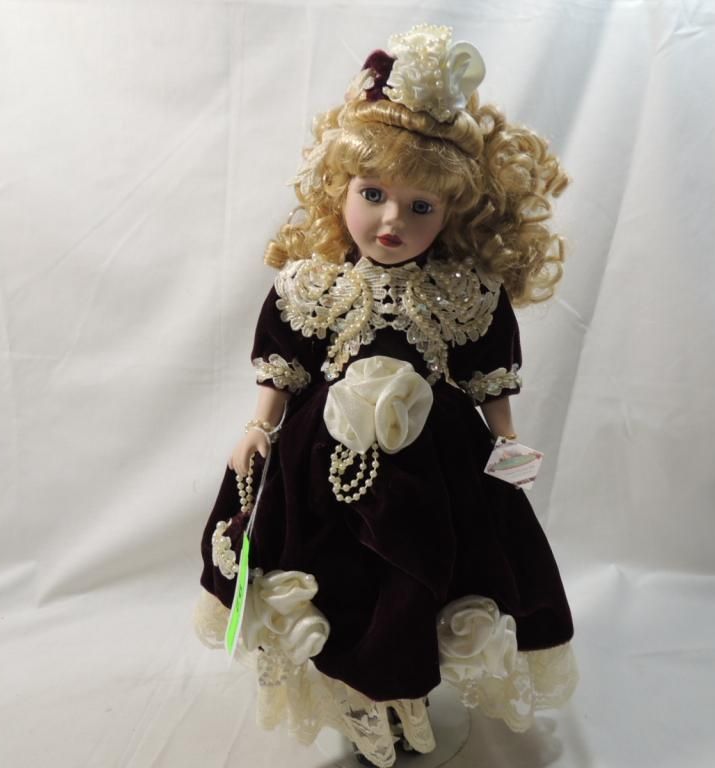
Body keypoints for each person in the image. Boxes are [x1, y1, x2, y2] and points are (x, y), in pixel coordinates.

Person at [194, 23, 577, 768]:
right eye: (373, 195)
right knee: (340, 584)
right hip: (322, 471)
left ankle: (409, 699)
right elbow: (284, 368)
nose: (392, 220)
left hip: (437, 472)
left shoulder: (466, 292)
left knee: (427, 582)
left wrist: (507, 443)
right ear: (338, 190)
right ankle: (362, 704)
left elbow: (489, 375)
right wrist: (259, 427)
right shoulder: (313, 284)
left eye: (420, 206)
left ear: (452, 214)